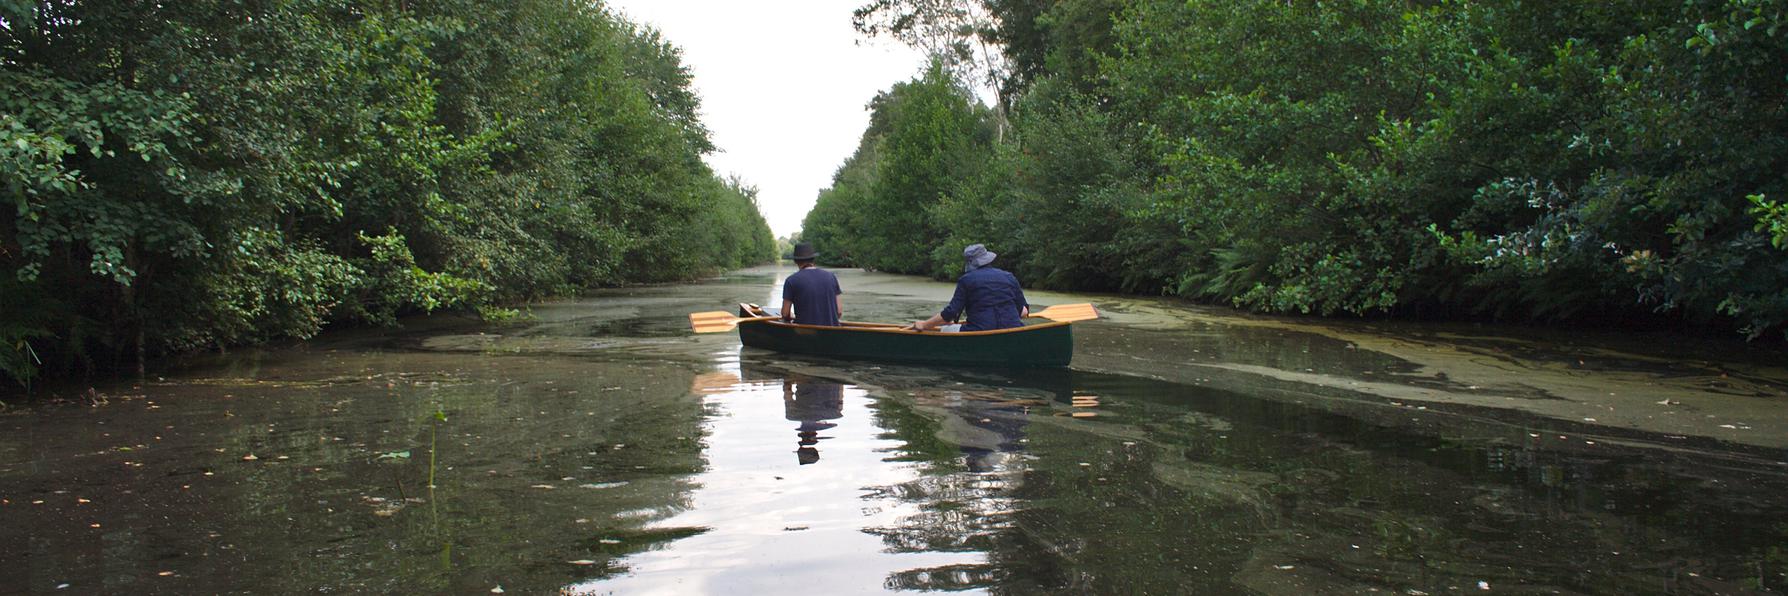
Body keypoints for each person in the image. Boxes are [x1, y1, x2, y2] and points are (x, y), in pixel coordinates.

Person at [909, 244, 1029, 332]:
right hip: (1014, 329)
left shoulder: (966, 280)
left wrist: (924, 325)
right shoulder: (1009, 277)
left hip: (980, 329)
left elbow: (950, 313)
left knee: (945, 329)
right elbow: (1024, 313)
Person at [780, 242, 841, 326]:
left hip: (805, 333)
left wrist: (788, 319)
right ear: (813, 259)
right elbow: (839, 311)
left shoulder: (791, 280)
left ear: (795, 261)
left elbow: (785, 314)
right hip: (831, 331)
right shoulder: (831, 277)